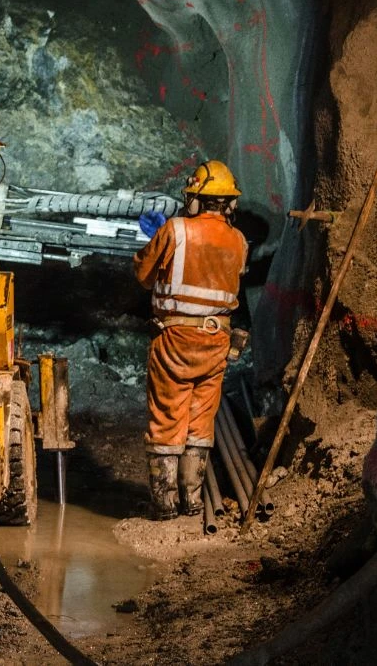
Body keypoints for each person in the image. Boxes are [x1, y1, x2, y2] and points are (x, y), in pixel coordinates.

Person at [133, 160, 248, 520]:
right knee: (201, 418)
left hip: (176, 339)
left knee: (168, 413)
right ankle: (193, 499)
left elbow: (143, 275)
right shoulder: (239, 240)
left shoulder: (176, 230)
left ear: (195, 199)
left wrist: (155, 242)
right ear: (230, 203)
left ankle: (165, 502)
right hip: (217, 341)